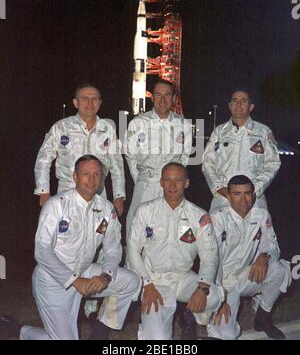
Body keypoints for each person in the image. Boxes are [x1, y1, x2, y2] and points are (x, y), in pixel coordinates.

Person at [20, 155, 141, 340]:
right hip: (53, 280)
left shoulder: (107, 208)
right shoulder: (57, 205)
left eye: (96, 174)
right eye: (86, 174)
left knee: (132, 282)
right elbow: (42, 251)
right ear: (75, 176)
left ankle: (100, 331)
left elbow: (113, 248)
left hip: (84, 272)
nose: (92, 180)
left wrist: (106, 275)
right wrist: (75, 282)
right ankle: (21, 331)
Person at [127, 163, 225, 340]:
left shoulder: (199, 216)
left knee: (214, 296)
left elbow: (210, 254)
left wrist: (202, 287)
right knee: (158, 340)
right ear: (161, 182)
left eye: (178, 180)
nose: (172, 185)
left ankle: (191, 315)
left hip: (182, 278)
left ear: (186, 183)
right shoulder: (145, 211)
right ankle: (147, 326)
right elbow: (133, 249)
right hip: (154, 281)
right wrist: (147, 284)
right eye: (168, 180)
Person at [208, 175, 291, 340]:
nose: (243, 199)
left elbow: (272, 244)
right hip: (221, 284)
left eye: (247, 193)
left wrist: (264, 256)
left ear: (253, 195)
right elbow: (211, 260)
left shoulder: (261, 214)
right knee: (227, 334)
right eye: (237, 194)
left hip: (245, 277)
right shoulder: (217, 217)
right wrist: (219, 298)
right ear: (228, 196)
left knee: (279, 269)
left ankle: (263, 318)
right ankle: (205, 316)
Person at [34, 83, 125, 216]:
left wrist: (119, 196)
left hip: (98, 194)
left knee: (98, 234)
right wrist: (43, 191)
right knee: (65, 234)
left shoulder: (108, 129)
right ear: (76, 103)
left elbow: (117, 164)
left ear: (100, 103)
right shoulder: (61, 127)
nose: (90, 103)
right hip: (67, 192)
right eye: (84, 98)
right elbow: (43, 159)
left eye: (94, 99)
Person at [124, 80, 192, 240]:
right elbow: (130, 156)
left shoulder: (183, 125)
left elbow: (185, 157)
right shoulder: (138, 123)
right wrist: (141, 179)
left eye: (167, 95)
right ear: (152, 98)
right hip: (145, 185)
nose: (162, 100)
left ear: (174, 98)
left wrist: (175, 180)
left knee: (170, 230)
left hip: (172, 186)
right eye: (158, 95)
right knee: (137, 229)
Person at [202, 89, 281, 211]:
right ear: (229, 105)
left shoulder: (263, 132)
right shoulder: (219, 132)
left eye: (243, 101)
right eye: (235, 101)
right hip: (224, 198)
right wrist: (219, 188)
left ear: (251, 106)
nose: (238, 105)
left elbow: (273, 163)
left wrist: (254, 190)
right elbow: (207, 162)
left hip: (254, 200)